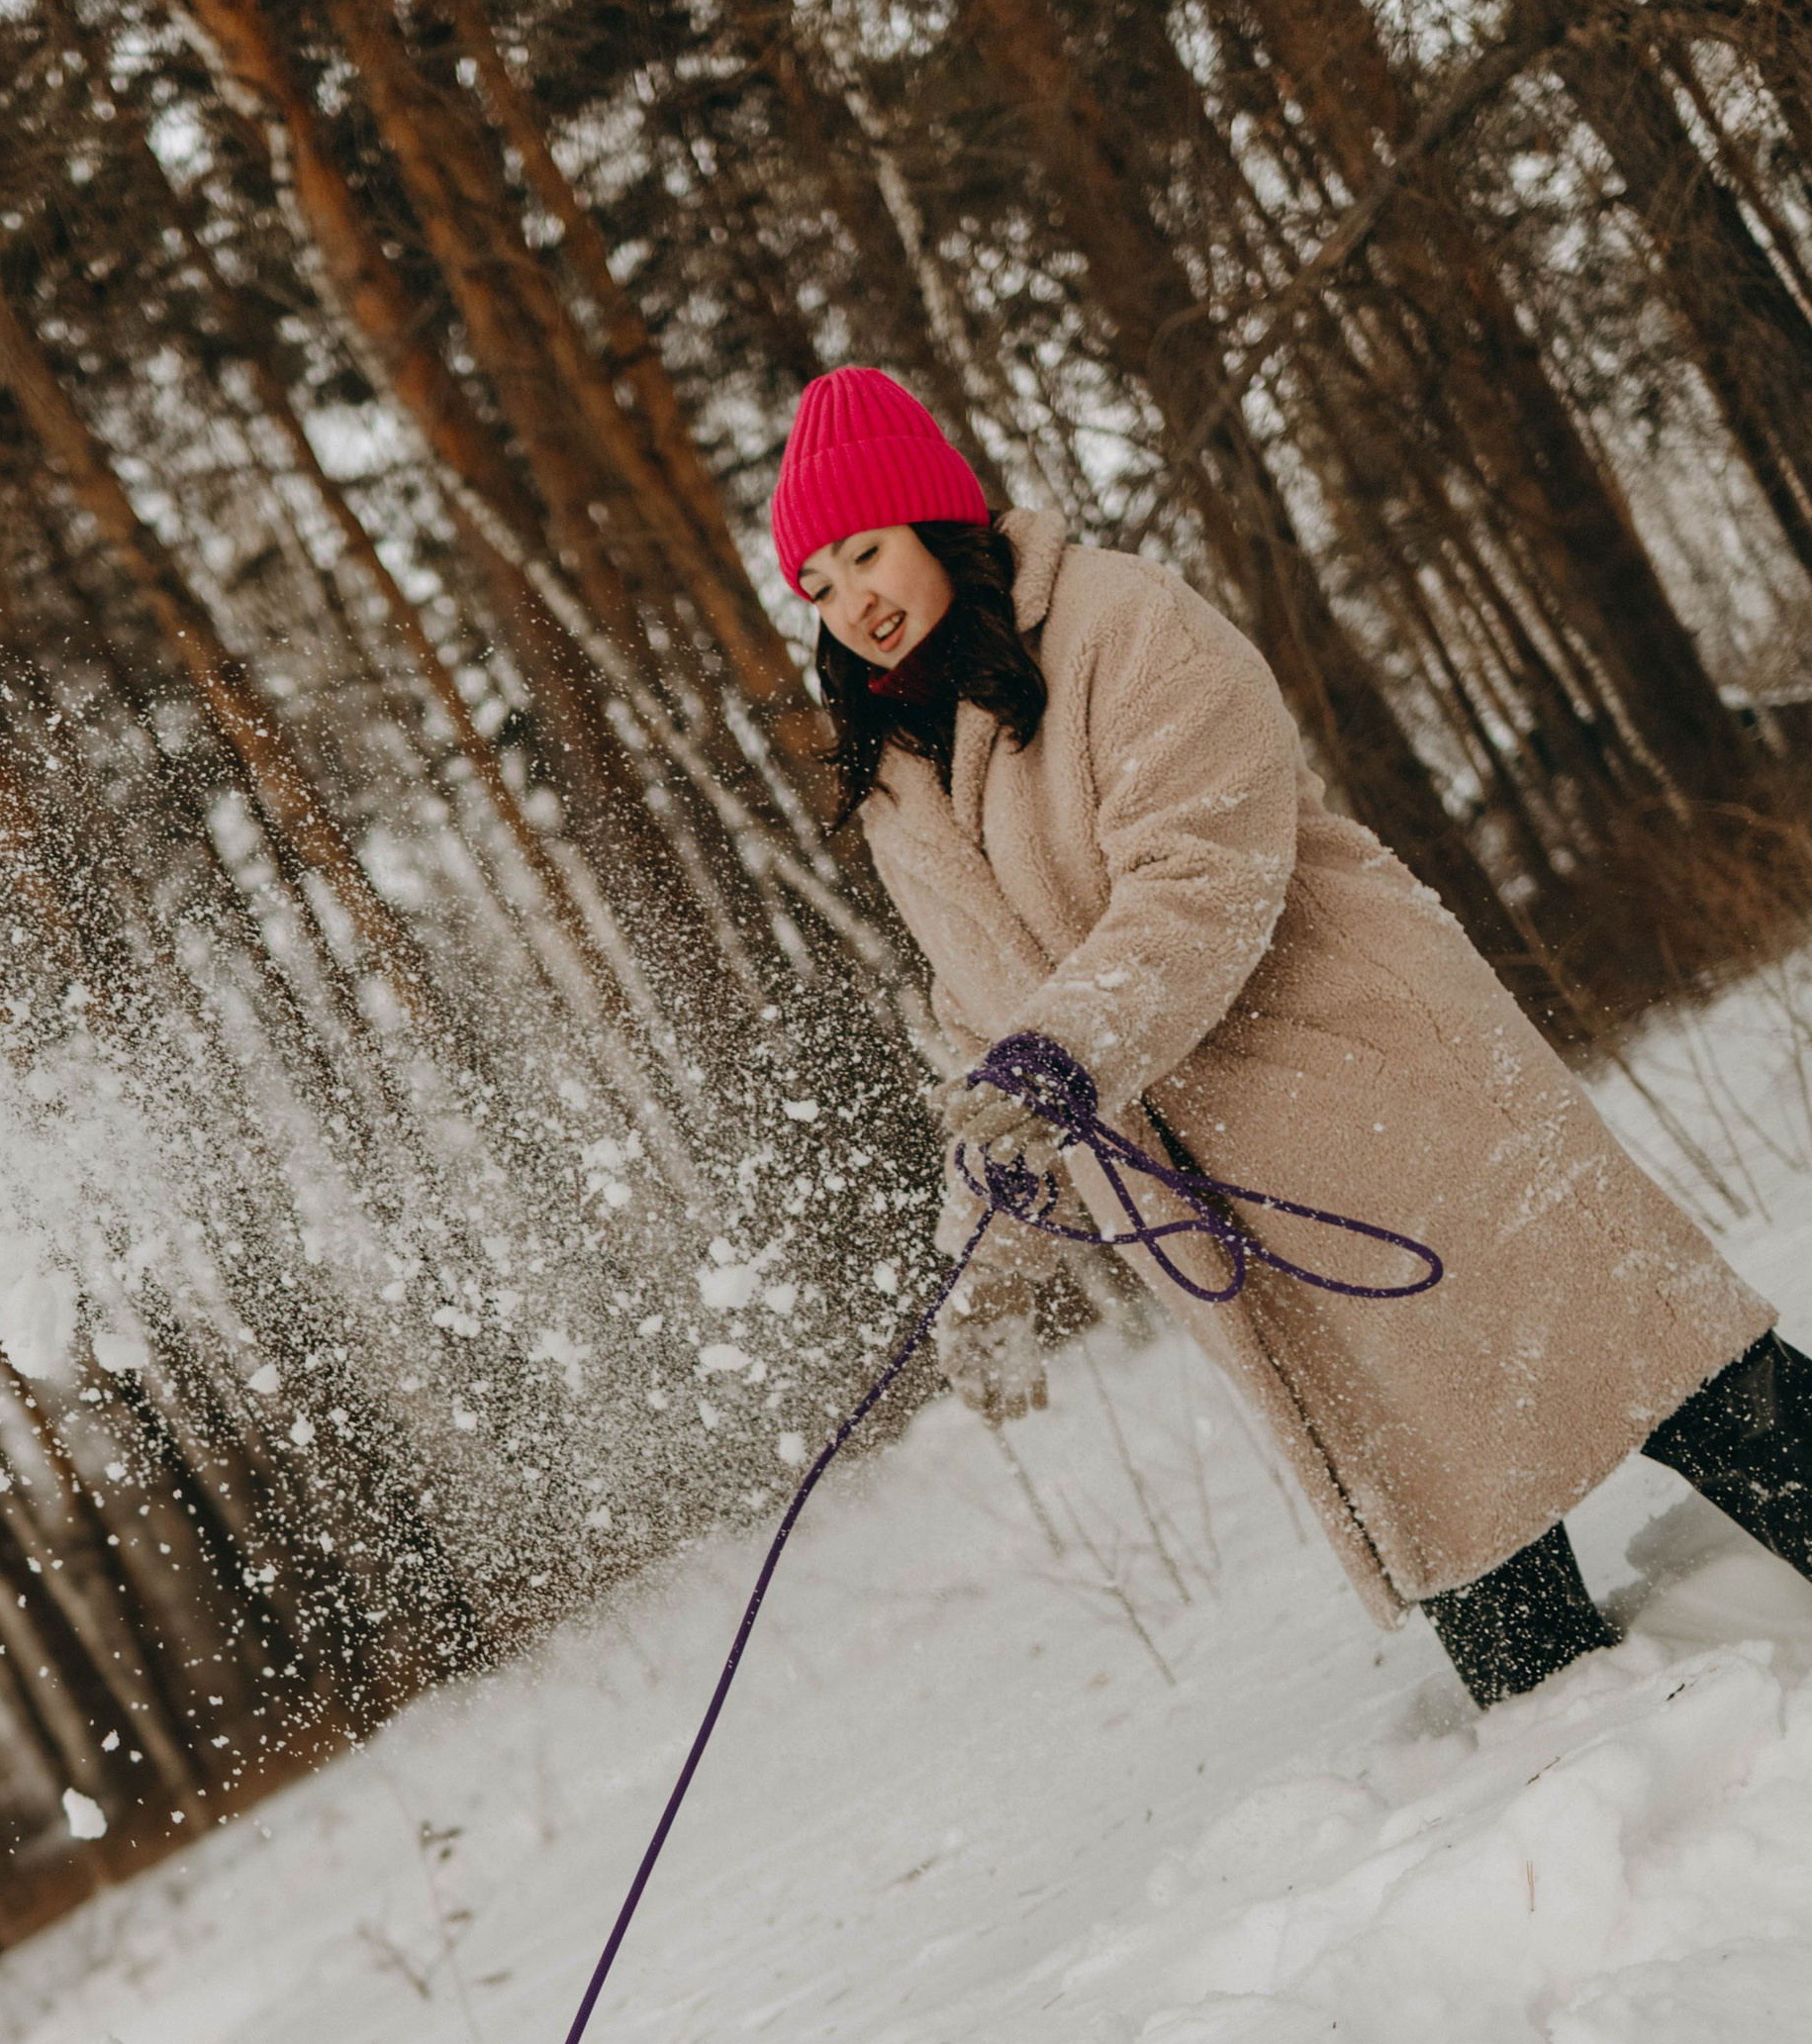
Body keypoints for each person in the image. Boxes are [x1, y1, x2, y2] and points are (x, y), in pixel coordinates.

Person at [772, 364, 1812, 1704]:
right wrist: (990, 1259)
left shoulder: (1120, 622)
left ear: (938, 521)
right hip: (1221, 1199)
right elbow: (985, 1023)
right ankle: (1583, 1751)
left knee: (1650, 1352)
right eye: (816, 584)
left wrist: (1066, 1049)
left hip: (1374, 1082)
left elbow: (1203, 872)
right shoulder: (896, 782)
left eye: (865, 551)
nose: (850, 601)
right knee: (1455, 1520)